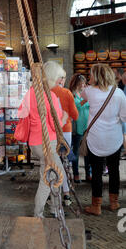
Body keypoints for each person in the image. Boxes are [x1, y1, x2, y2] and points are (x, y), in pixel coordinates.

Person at [18, 60, 68, 218]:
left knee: (50, 174)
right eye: (59, 78)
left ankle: (54, 208)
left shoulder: (30, 93)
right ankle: (39, 213)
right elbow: (55, 125)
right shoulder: (50, 96)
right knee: (53, 176)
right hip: (48, 143)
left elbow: (21, 114)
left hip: (34, 143)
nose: (60, 81)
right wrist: (64, 118)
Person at [81, 63, 126, 215]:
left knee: (97, 172)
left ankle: (97, 205)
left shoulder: (89, 91)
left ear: (98, 76)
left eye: (91, 74)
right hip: (114, 138)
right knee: (114, 170)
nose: (89, 77)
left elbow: (82, 96)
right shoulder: (119, 93)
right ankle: (114, 202)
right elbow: (124, 117)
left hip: (96, 139)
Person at [52, 68, 78, 206]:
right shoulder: (67, 93)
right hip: (65, 131)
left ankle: (53, 192)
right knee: (65, 163)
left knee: (53, 162)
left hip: (51, 132)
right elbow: (75, 115)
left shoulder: (46, 92)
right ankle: (66, 194)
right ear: (61, 79)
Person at [69, 74, 91, 183]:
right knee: (76, 151)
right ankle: (76, 174)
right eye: (82, 83)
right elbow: (76, 107)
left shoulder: (84, 93)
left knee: (87, 151)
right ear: (77, 83)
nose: (84, 85)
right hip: (77, 126)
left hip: (87, 125)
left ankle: (88, 173)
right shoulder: (72, 94)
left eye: (84, 83)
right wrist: (86, 99)